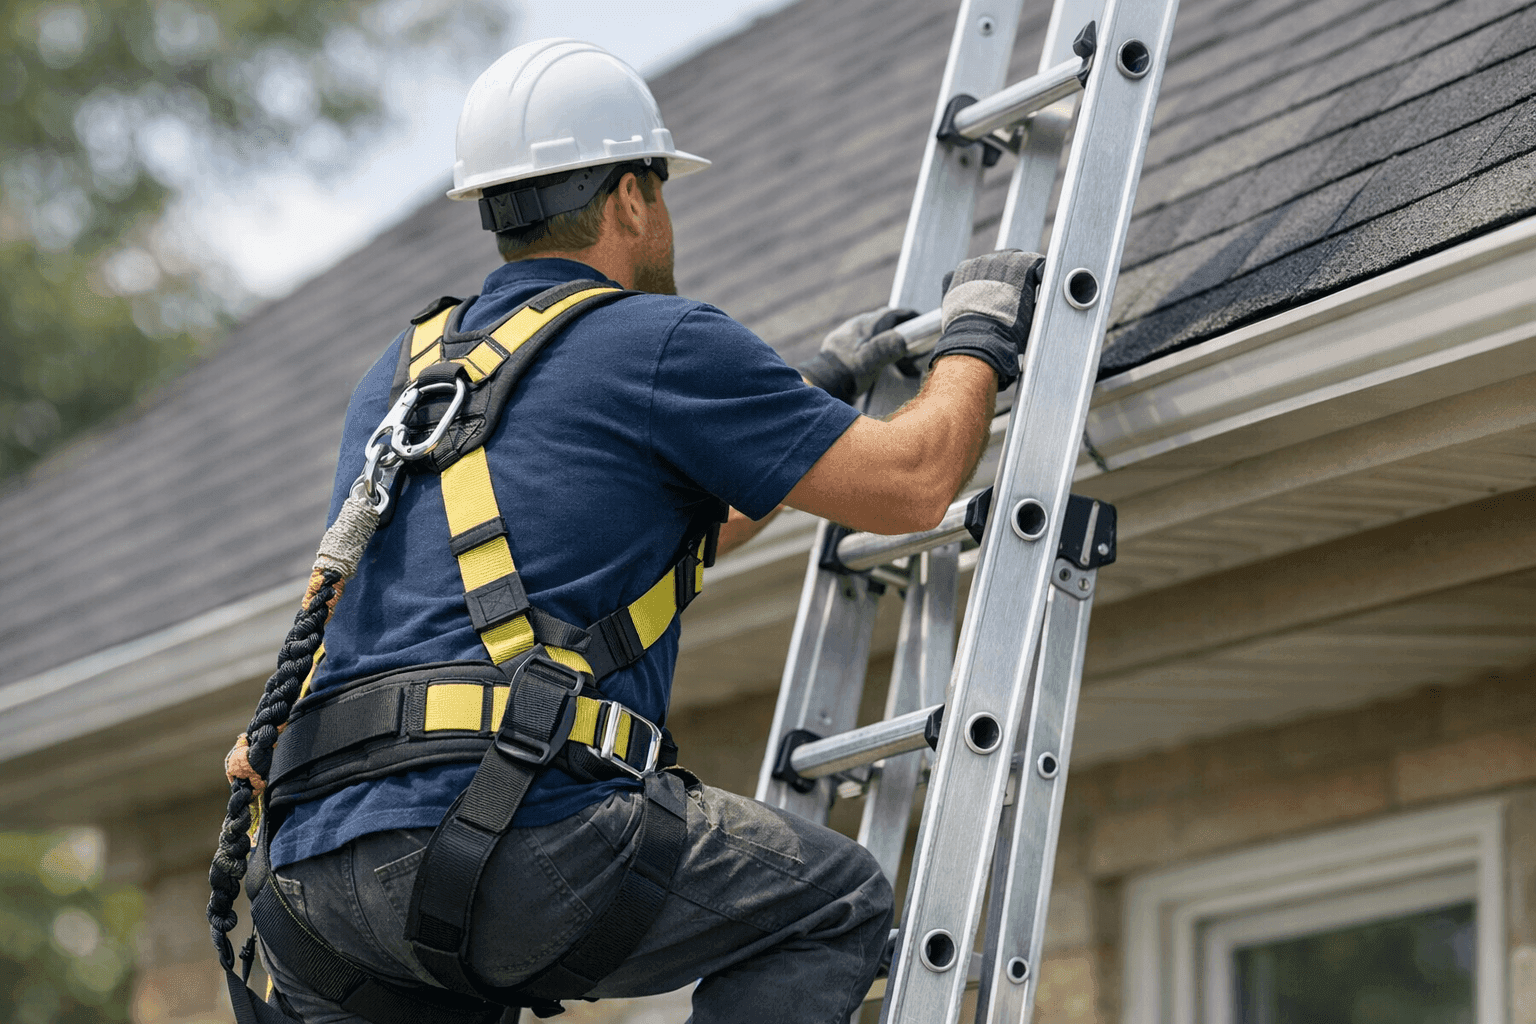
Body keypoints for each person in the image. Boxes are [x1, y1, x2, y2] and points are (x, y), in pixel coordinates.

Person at [246, 38, 1042, 1024]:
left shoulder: (401, 375)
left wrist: (812, 399)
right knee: (830, 902)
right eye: (661, 191)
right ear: (631, 197)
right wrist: (976, 339)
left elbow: (653, 529)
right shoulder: (658, 340)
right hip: (508, 839)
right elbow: (916, 482)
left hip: (316, 880)